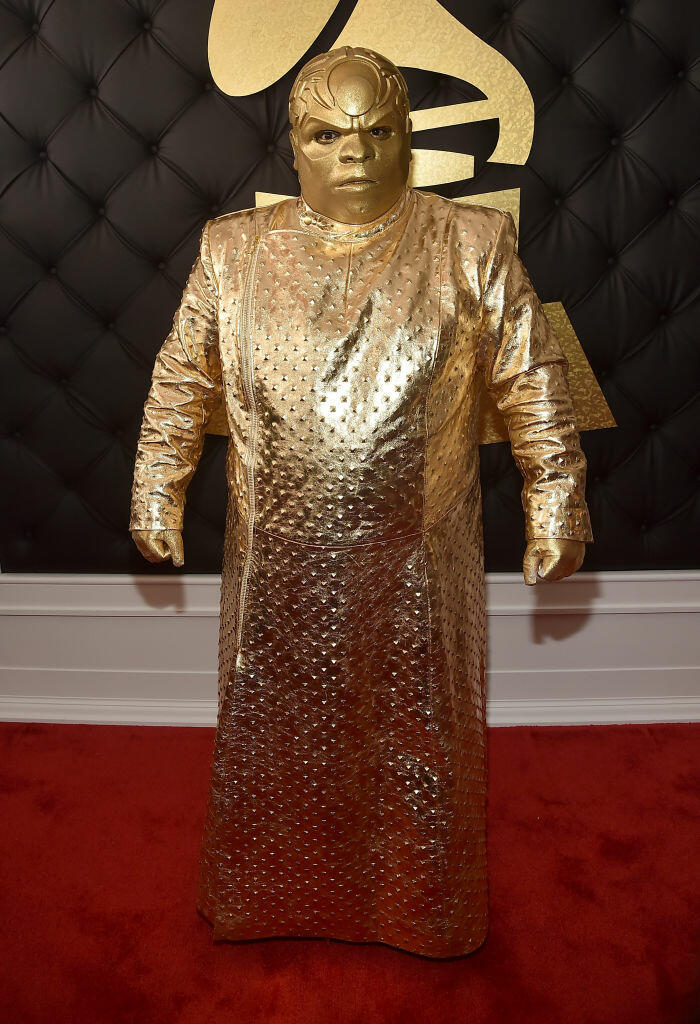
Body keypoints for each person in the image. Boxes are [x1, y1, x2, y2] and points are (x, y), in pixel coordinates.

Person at [129, 45, 593, 958]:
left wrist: (557, 502)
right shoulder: (233, 251)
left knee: (417, 739)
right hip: (276, 561)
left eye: (378, 132)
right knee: (273, 736)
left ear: (409, 142)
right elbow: (183, 377)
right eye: (328, 135)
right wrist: (156, 485)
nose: (356, 153)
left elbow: (534, 380)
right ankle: (266, 900)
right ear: (292, 150)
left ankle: (421, 912)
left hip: (420, 557)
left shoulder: (471, 242)